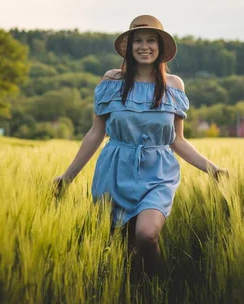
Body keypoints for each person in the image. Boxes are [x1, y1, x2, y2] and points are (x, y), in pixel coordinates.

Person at [53, 15, 228, 278]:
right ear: (128, 46)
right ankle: (138, 290)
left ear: (160, 48)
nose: (144, 46)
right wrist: (67, 177)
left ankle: (159, 286)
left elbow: (177, 140)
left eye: (150, 41)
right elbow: (95, 134)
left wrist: (212, 169)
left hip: (158, 173)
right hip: (115, 169)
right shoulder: (111, 81)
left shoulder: (174, 86)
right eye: (138, 40)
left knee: (146, 235)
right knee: (124, 249)